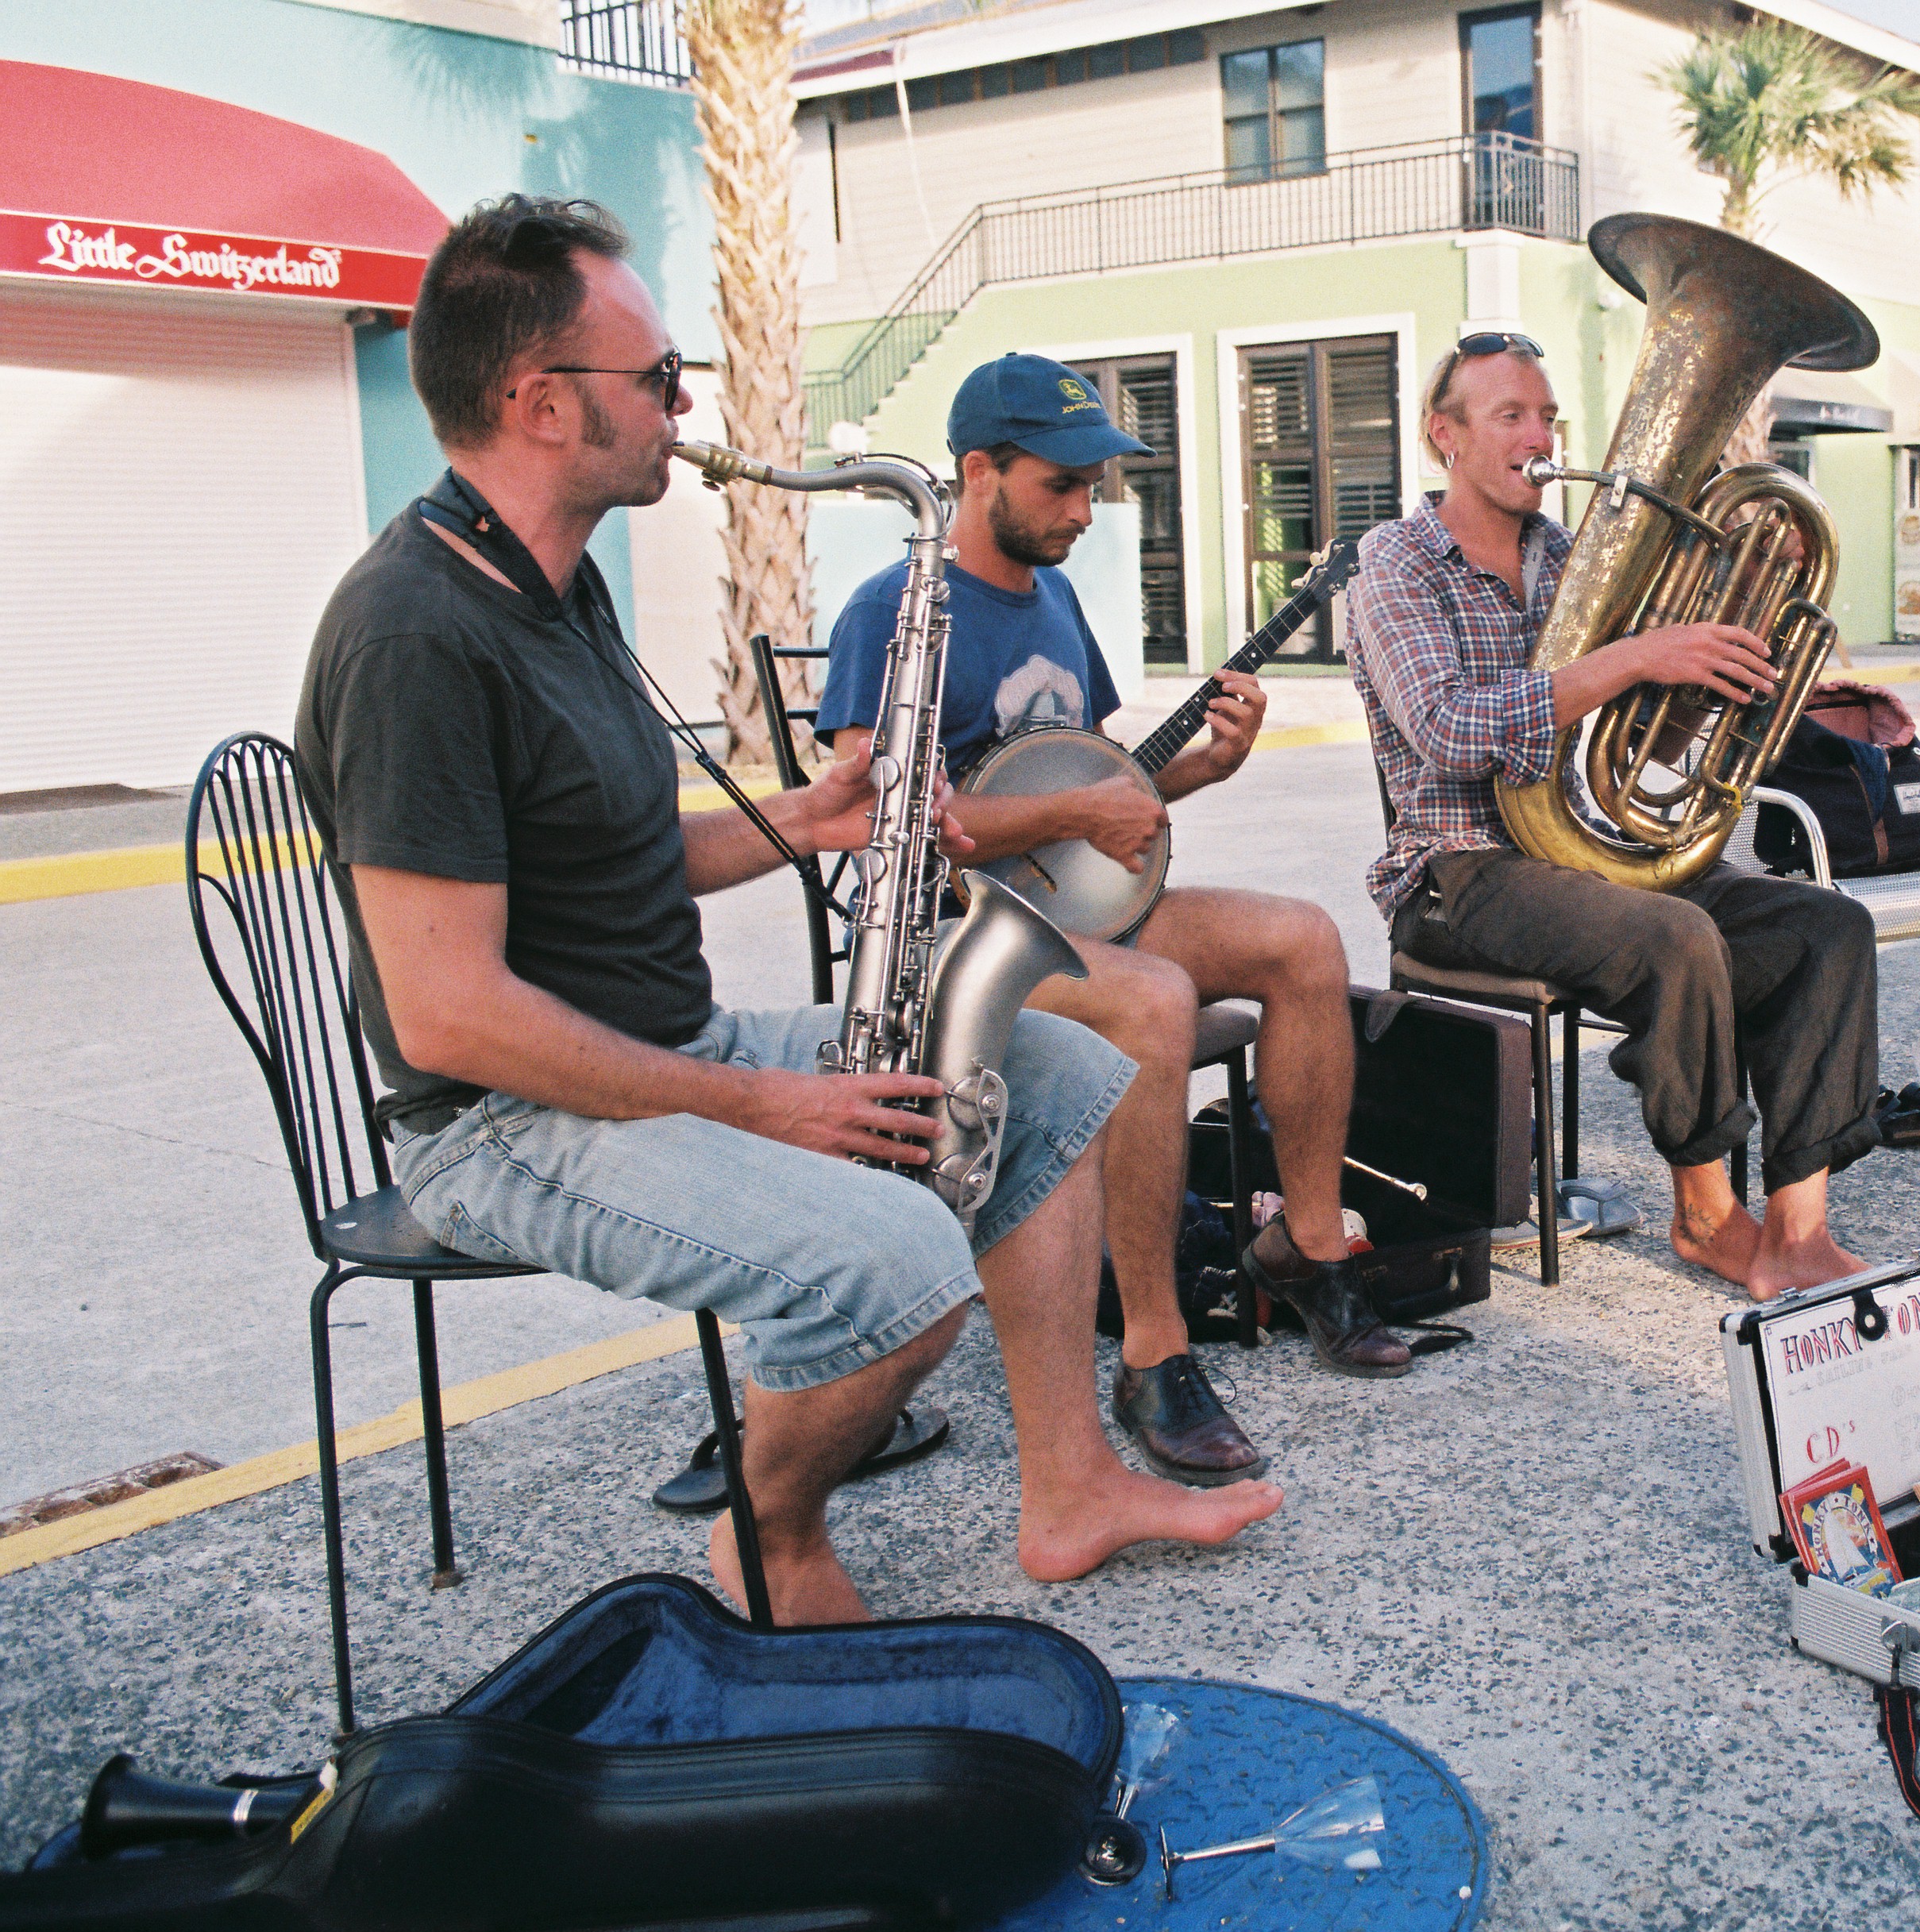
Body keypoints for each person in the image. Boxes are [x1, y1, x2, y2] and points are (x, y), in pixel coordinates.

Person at [295, 196, 1280, 1625]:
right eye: (654, 377)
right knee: (896, 1260)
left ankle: (1068, 1485)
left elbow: (609, 853)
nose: (684, 404)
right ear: (539, 401)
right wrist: (757, 1101)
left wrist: (803, 825)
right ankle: (774, 1542)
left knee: (1057, 1060)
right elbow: (451, 1010)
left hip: (658, 1046)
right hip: (501, 1124)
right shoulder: (414, 633)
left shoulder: (555, 589)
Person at [822, 353, 1409, 1491]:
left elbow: (1098, 800)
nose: (1087, 512)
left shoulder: (1052, 599)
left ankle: (1309, 1243)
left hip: (1070, 919)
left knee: (1303, 938)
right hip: (953, 952)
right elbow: (869, 815)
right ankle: (1153, 1349)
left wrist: (1201, 769)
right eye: (1063, 486)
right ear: (978, 470)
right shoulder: (893, 610)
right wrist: (1076, 807)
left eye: (1096, 488)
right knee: (1151, 1002)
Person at [1346, 335, 1880, 1301]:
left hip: (1592, 851)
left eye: (1548, 416)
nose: (1541, 435)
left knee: (1825, 928)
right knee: (1673, 938)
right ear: (1445, 438)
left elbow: (1657, 735)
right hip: (1457, 872)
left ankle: (1800, 1226)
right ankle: (1708, 1216)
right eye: (1511, 415)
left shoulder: (1574, 555)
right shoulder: (1393, 564)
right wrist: (1635, 657)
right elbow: (1446, 731)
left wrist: (1736, 647)